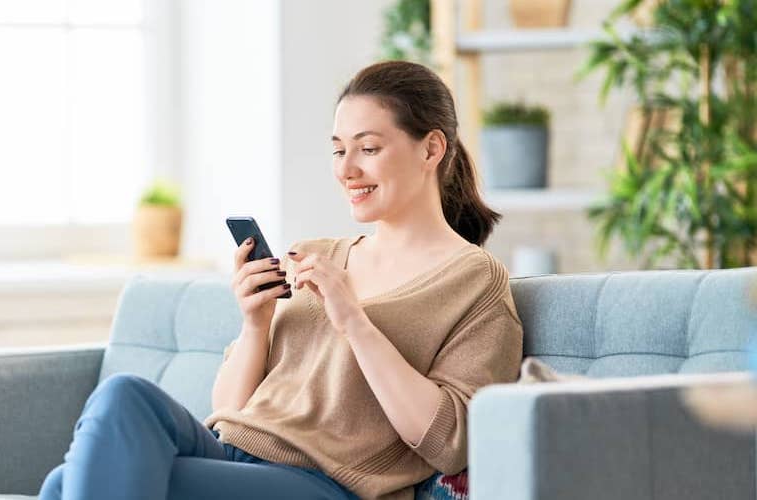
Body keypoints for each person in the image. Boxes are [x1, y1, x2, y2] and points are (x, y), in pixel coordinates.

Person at [37, 60, 524, 500]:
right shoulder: (313, 255)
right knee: (123, 396)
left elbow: (450, 443)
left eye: (368, 149)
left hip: (325, 482)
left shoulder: (475, 282)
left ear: (432, 148)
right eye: (338, 151)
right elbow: (230, 410)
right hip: (231, 456)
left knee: (73, 484)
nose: (347, 170)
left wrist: (353, 320)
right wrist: (255, 323)